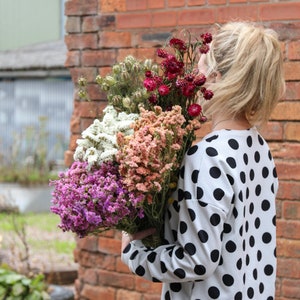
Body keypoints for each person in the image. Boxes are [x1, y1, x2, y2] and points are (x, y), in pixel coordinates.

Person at [121, 22, 285, 300]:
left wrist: (133, 252)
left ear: (217, 78)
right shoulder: (258, 145)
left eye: (201, 70)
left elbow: (195, 260)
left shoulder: (207, 157)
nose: (194, 78)